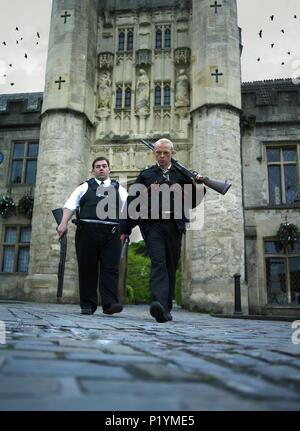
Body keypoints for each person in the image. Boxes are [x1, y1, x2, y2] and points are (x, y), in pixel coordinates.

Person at [120, 138, 204, 323]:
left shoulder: (182, 175)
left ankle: (166, 307)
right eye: (159, 152)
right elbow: (132, 203)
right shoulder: (146, 174)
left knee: (170, 265)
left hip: (174, 225)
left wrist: (196, 183)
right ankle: (158, 303)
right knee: (158, 263)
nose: (162, 156)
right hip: (153, 225)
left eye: (166, 152)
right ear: (154, 154)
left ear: (173, 154)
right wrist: (124, 229)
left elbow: (194, 201)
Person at [57, 157, 128, 315]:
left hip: (112, 234)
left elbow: (128, 209)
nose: (101, 169)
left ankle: (110, 304)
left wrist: (125, 231)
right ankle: (87, 305)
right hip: (87, 232)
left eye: (104, 166)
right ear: (93, 170)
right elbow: (70, 205)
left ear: (109, 169)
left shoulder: (119, 189)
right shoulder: (84, 186)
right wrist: (63, 223)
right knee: (87, 269)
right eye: (98, 166)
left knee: (110, 269)